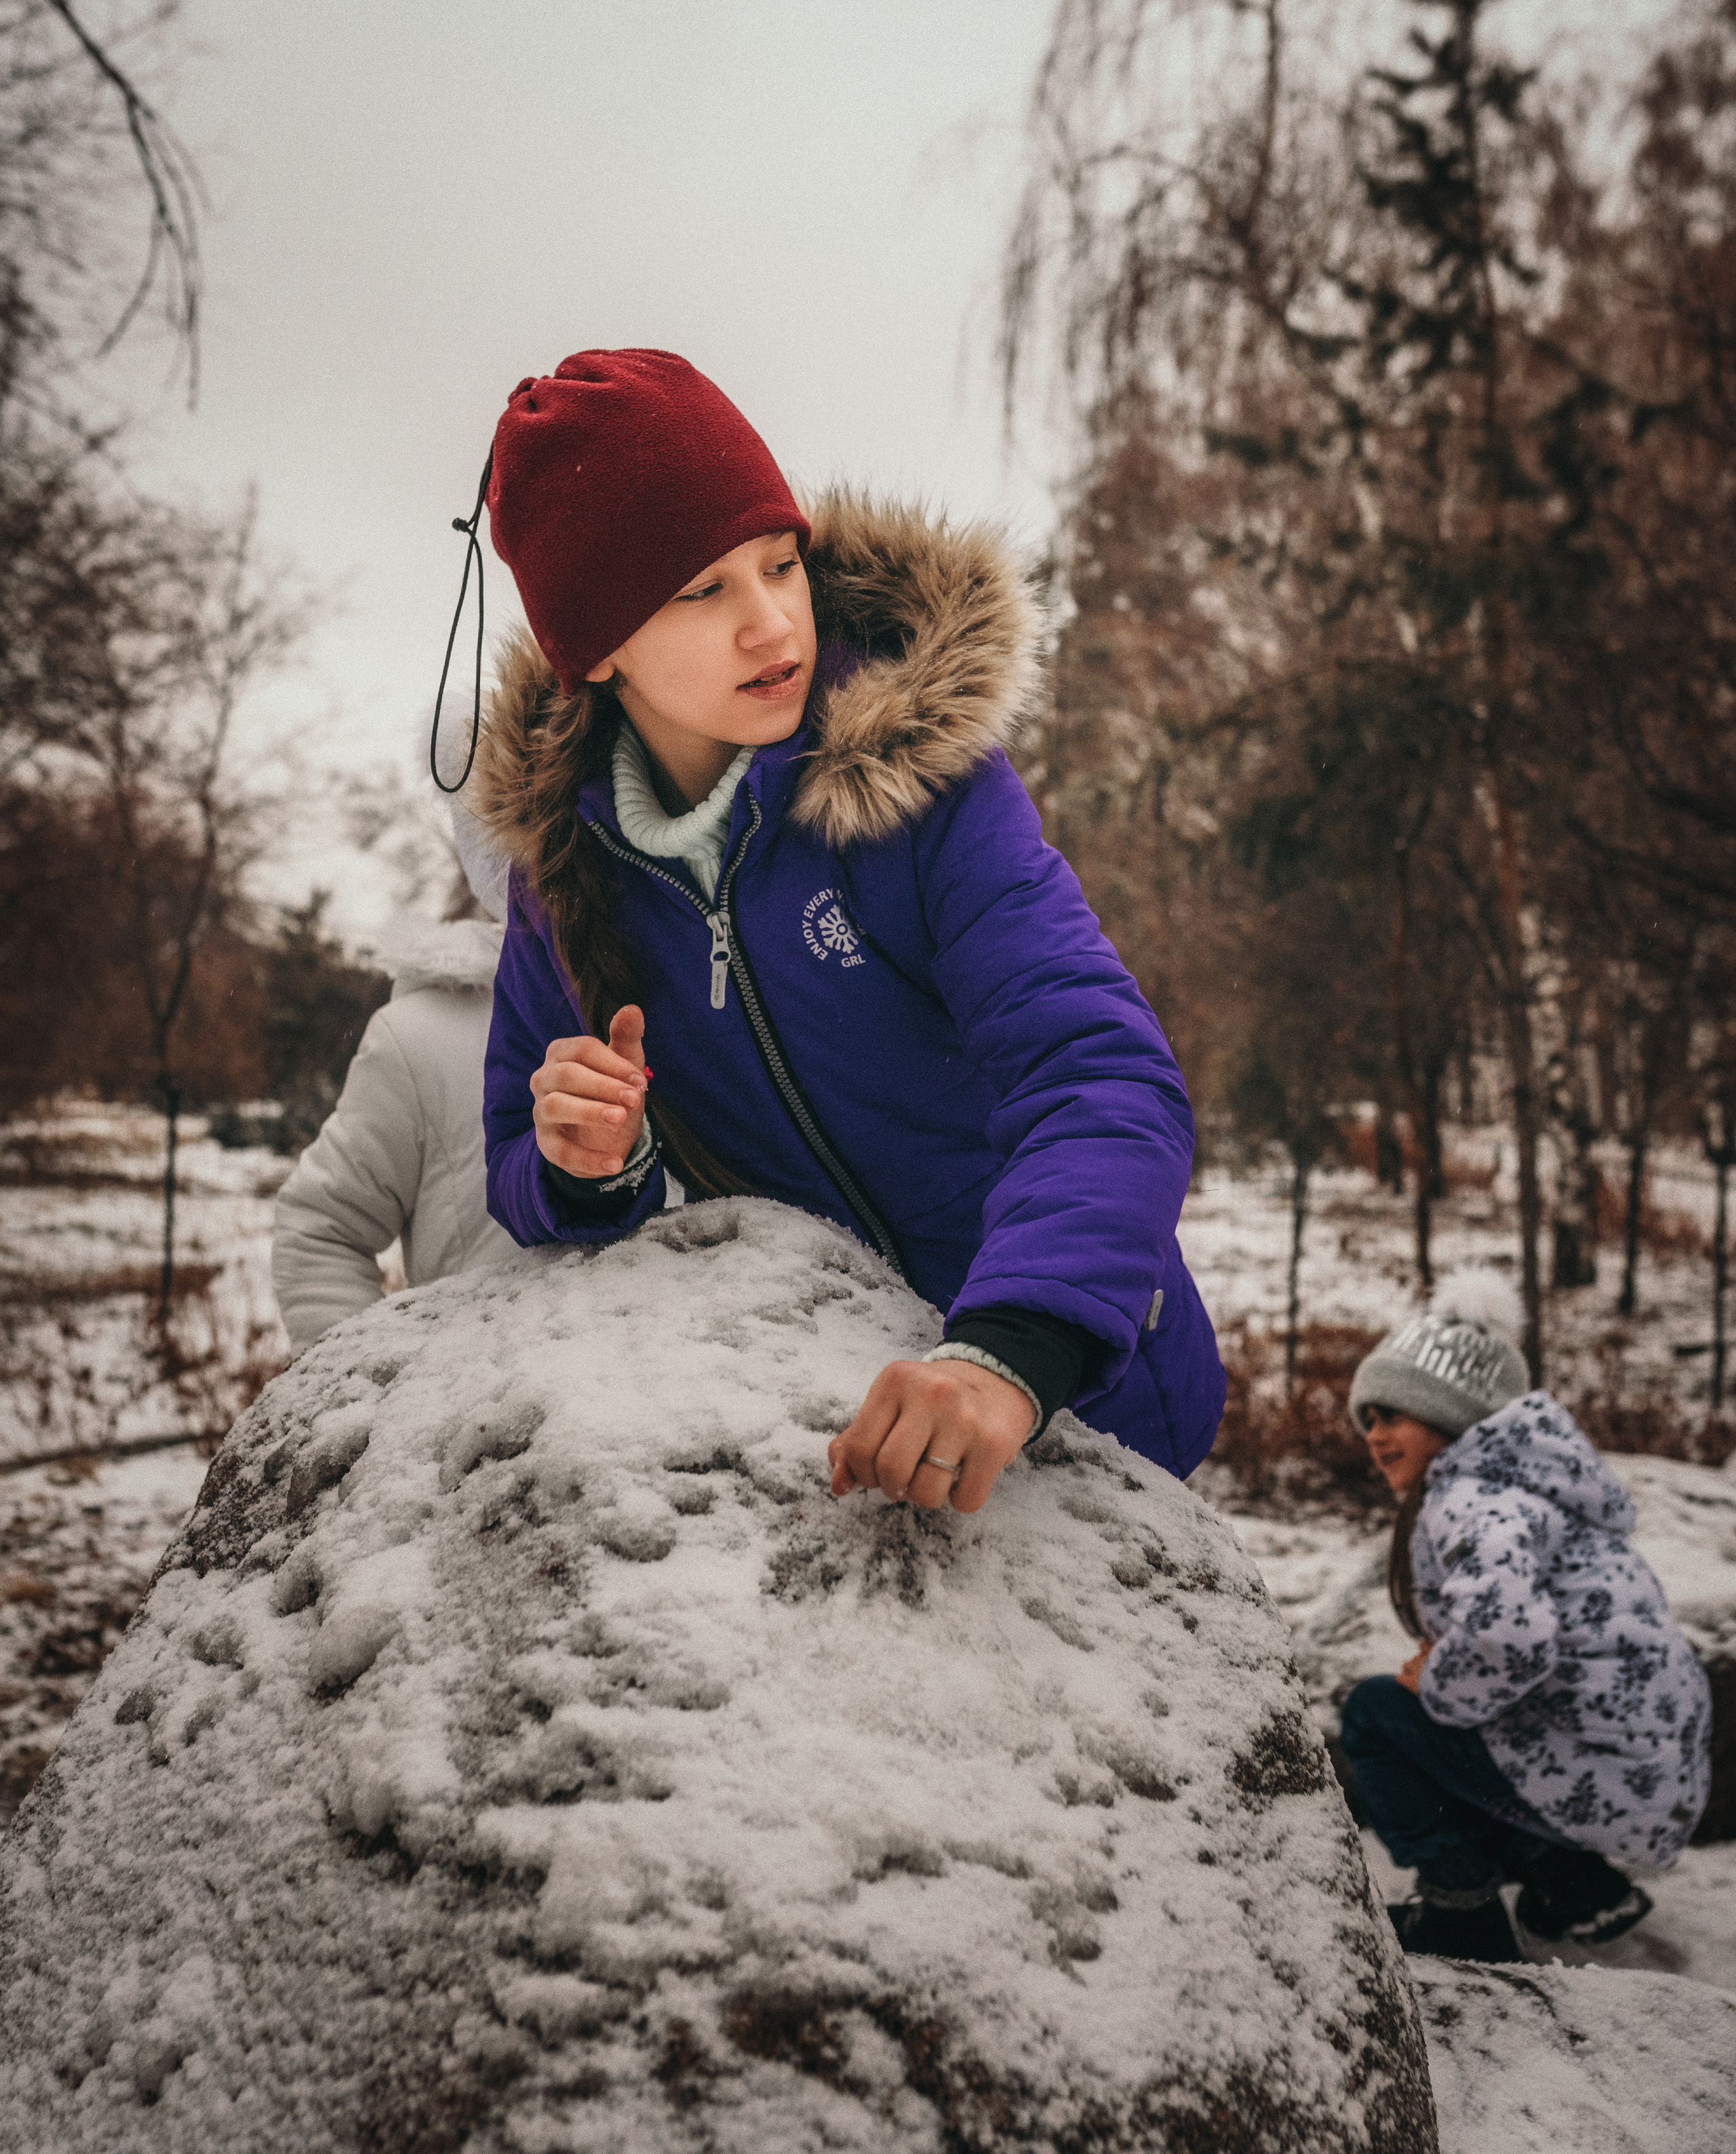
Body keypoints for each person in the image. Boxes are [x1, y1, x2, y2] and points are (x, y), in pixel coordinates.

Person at [467, 349, 1225, 1512]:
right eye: (701, 591)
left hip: (1080, 1385)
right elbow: (516, 1156)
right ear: (595, 648)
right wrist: (586, 1161)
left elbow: (1101, 1071)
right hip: (843, 1427)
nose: (775, 623)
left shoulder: (918, 784)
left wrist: (1004, 1352)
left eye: (781, 564)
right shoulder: (566, 875)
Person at [1340, 1269, 1712, 1964]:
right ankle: (1569, 1880)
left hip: (1597, 1773)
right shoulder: (1529, 1488)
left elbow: (1507, 1637)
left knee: (1376, 1715)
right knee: (1452, 1719)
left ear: (1450, 1415)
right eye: (1366, 1419)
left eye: (1391, 1413)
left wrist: (1436, 1683)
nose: (1373, 1434)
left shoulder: (1471, 1498)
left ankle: (1462, 1913)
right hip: (1639, 1772)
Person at [271, 803, 534, 1354]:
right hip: (480, 1424)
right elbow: (323, 1229)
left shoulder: (721, 1021)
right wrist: (362, 1400)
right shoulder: (423, 1037)